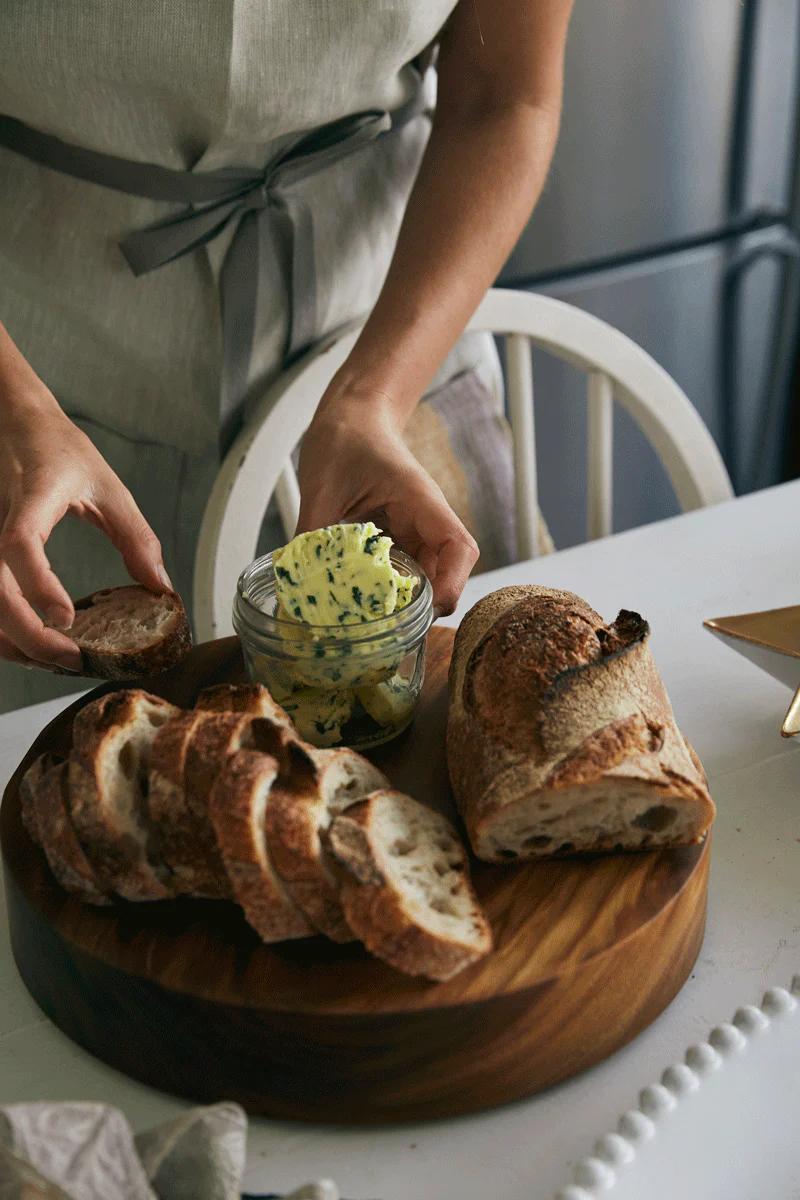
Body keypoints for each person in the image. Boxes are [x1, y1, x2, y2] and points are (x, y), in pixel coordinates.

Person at [0, 0, 573, 710]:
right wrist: (13, 412)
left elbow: (505, 97)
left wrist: (374, 400)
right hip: (42, 392)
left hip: (395, 341)